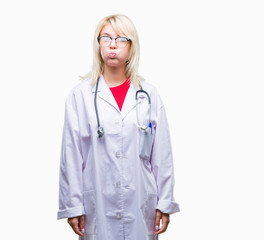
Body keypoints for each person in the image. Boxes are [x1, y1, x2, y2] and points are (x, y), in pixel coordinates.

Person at [57, 14, 179, 240]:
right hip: (97, 206)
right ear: (98, 44)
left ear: (132, 46)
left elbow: (161, 153)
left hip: (141, 202)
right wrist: (72, 206)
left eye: (121, 38)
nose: (113, 44)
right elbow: (71, 154)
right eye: (106, 38)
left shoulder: (148, 95)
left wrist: (164, 201)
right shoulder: (80, 96)